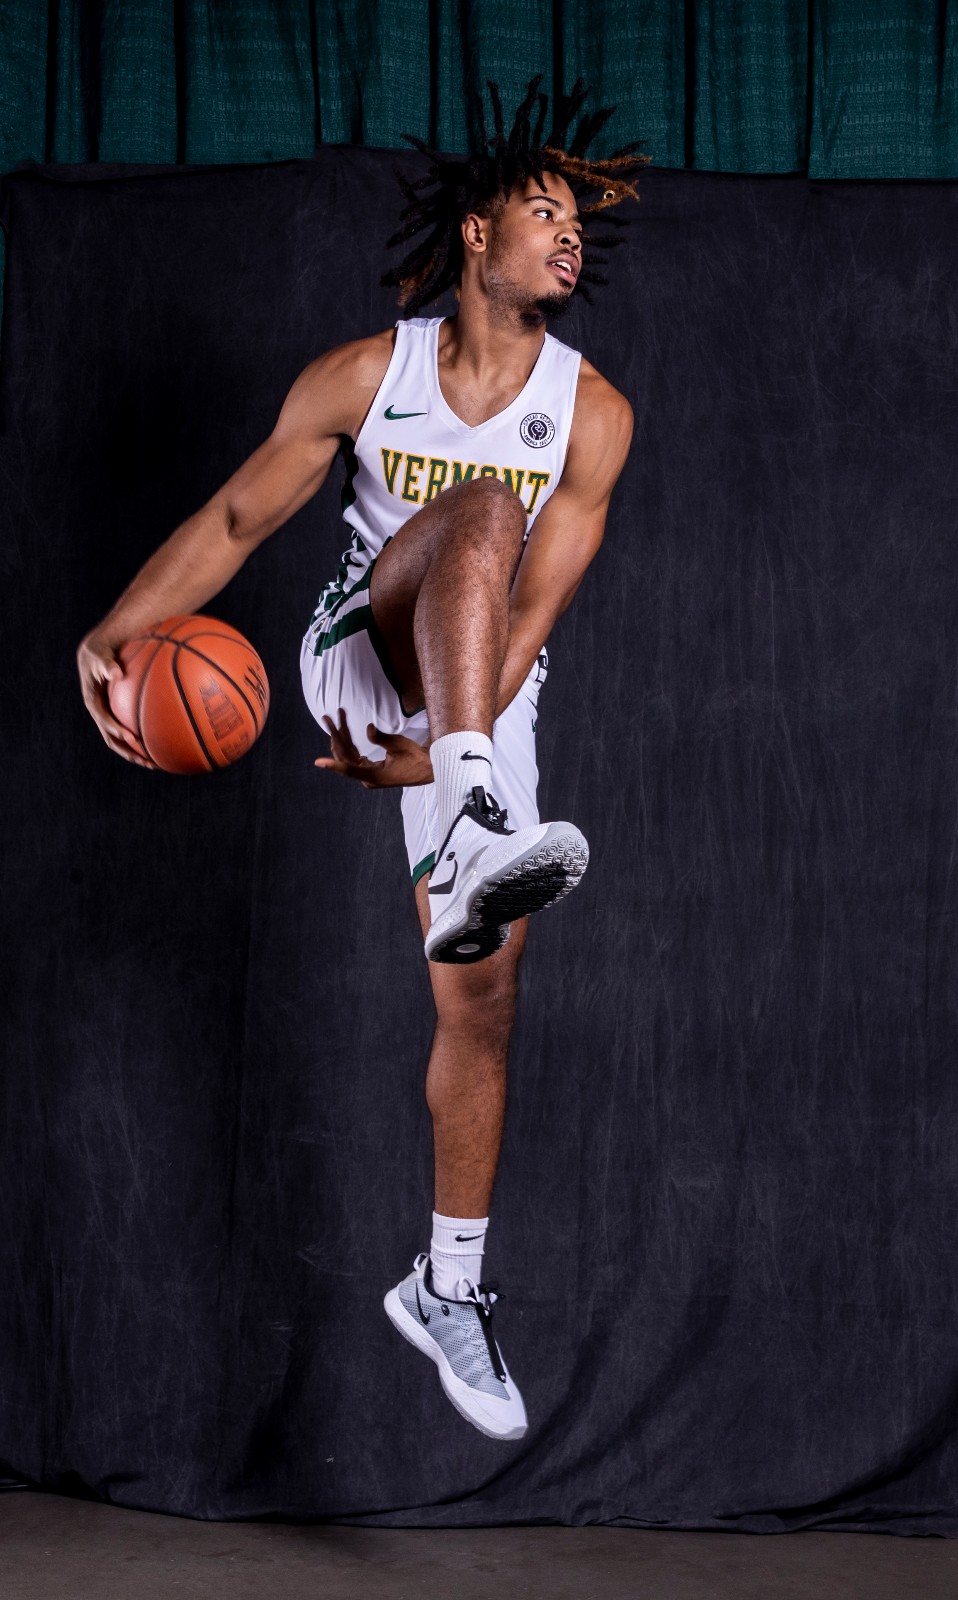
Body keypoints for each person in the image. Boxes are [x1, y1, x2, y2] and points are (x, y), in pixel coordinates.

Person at [76, 75, 649, 1443]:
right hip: (359, 649)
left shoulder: (594, 416)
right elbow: (234, 519)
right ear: (474, 232)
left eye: (577, 222)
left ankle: (447, 1285)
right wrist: (116, 632)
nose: (568, 234)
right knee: (476, 505)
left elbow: (532, 616)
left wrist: (446, 752)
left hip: (481, 687)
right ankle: (478, 812)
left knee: (482, 998)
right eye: (543, 212)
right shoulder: (367, 377)